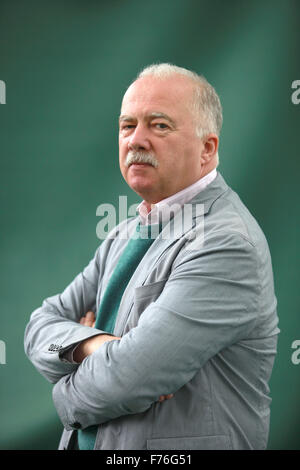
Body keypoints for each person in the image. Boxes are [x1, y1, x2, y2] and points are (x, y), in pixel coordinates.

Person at [24, 63, 280, 450]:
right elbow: (39, 327)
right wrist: (96, 345)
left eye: (159, 126)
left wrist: (63, 392)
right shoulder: (123, 233)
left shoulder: (227, 244)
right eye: (128, 125)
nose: (136, 140)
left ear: (207, 149)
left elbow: (128, 378)